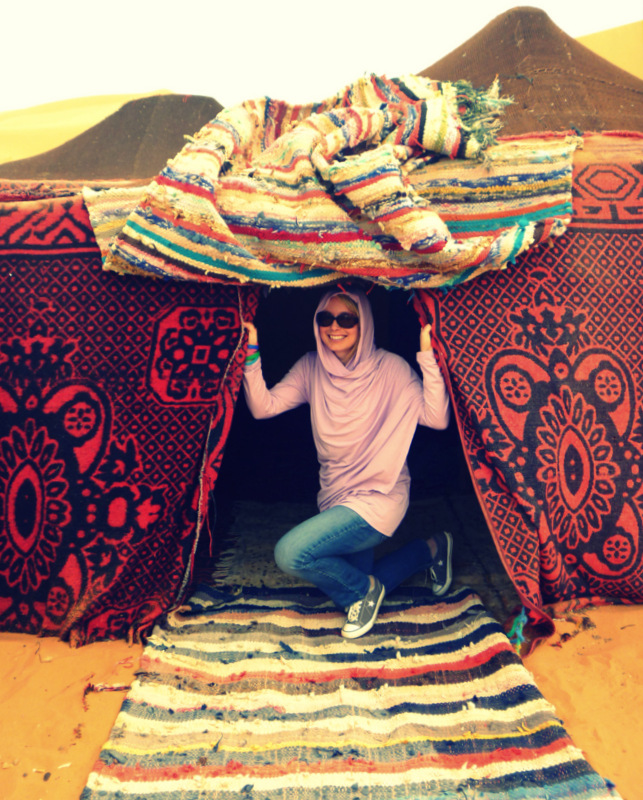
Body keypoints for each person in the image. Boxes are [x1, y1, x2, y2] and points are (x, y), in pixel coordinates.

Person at [242, 288, 452, 639]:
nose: (334, 328)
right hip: (336, 496)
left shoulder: (391, 368)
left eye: (346, 319)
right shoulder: (312, 367)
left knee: (290, 553)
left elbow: (437, 417)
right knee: (349, 595)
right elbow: (265, 407)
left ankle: (365, 591)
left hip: (379, 497)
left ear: (364, 323)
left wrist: (427, 357)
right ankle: (431, 549)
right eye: (325, 319)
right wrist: (251, 354)